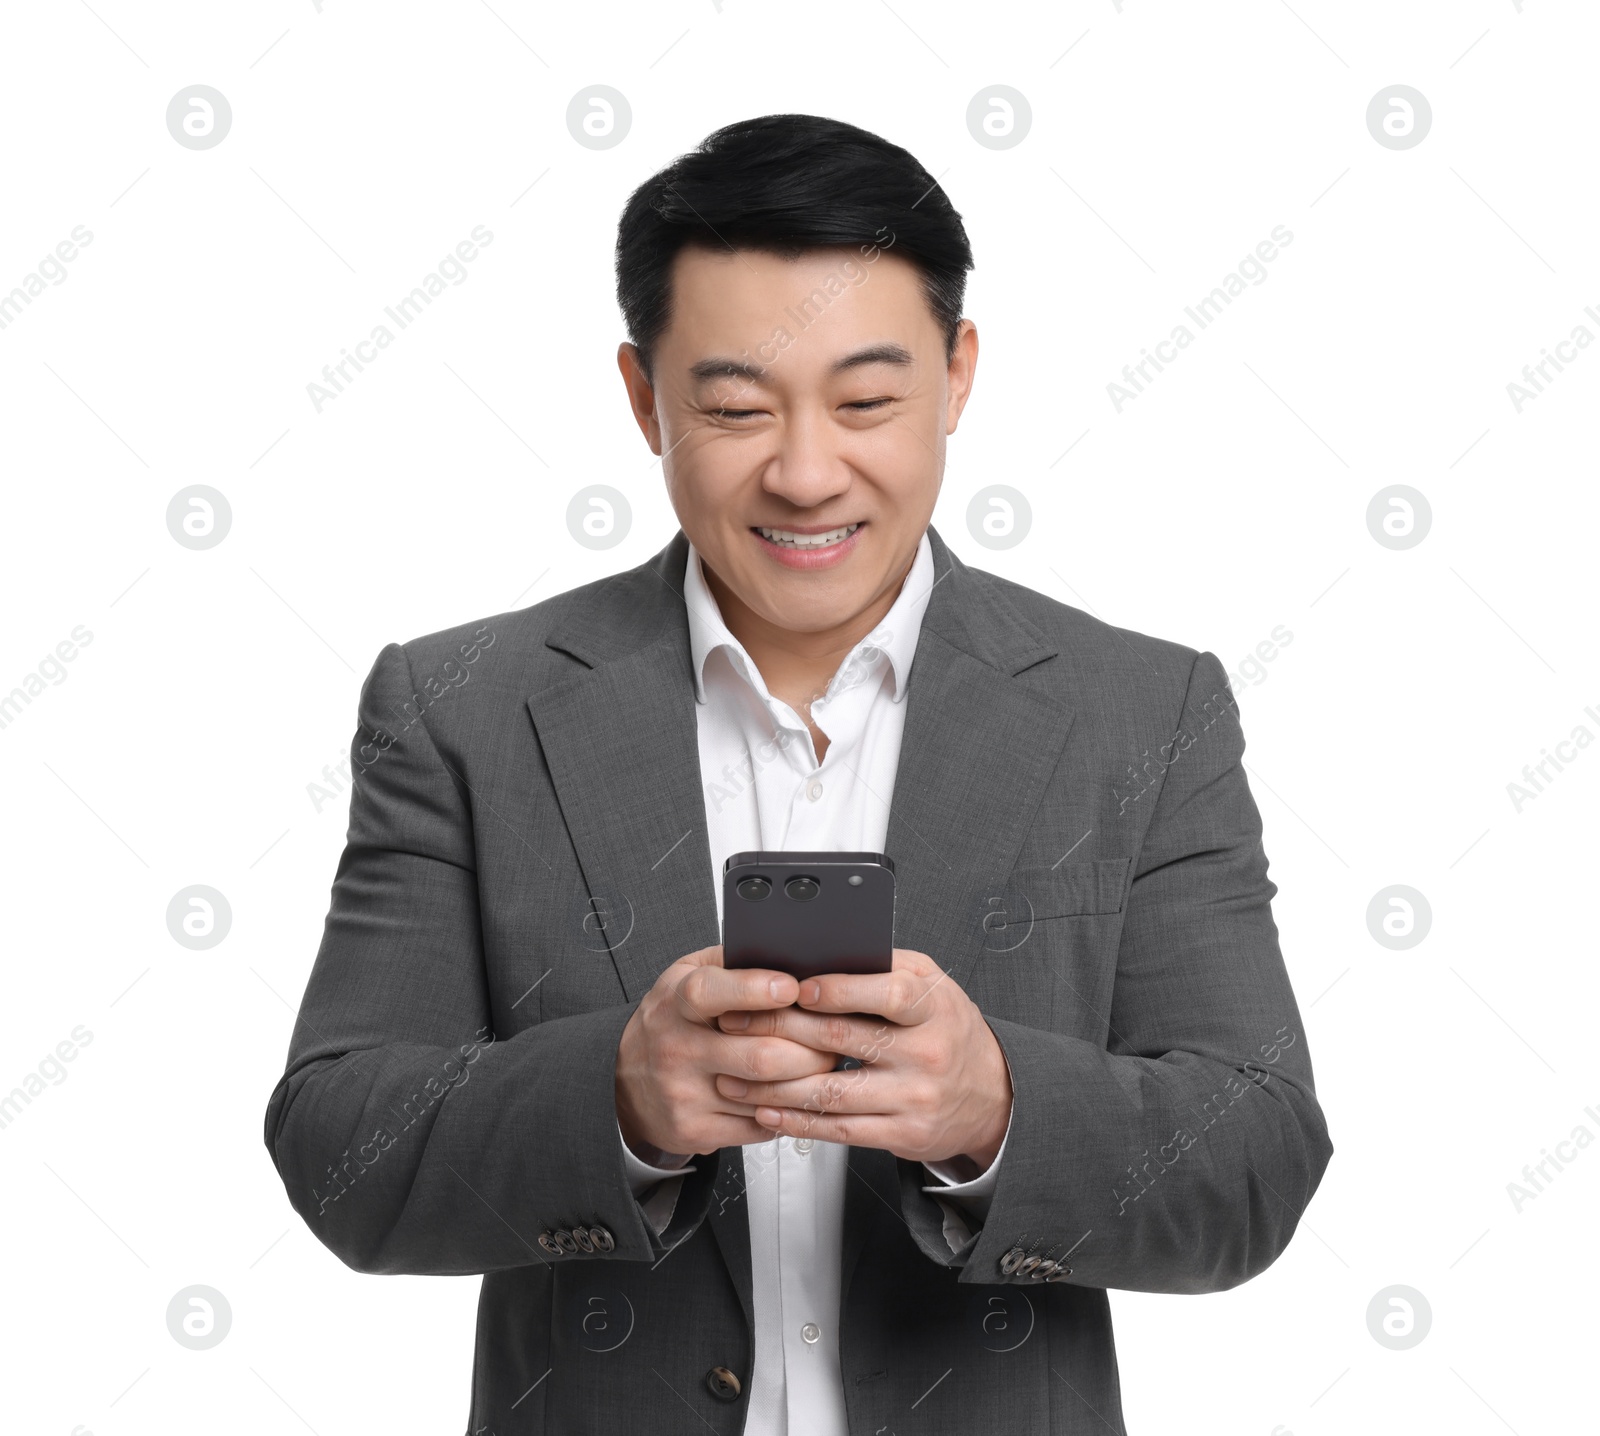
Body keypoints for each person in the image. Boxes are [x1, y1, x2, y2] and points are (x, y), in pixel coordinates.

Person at [264, 113, 1333, 1435]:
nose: (809, 471)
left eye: (869, 401)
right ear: (644, 398)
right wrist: (616, 1099)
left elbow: (1256, 1162)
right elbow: (337, 1150)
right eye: (732, 407)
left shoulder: (1143, 713)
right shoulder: (462, 711)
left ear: (959, 376)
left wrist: (997, 1108)